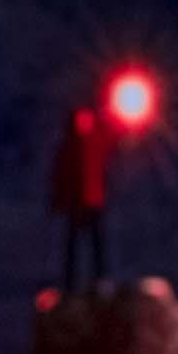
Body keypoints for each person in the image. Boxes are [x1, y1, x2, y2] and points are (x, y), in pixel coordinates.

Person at [47, 103, 112, 296]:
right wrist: (57, 200)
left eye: (87, 120)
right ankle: (70, 283)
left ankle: (100, 280)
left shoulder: (96, 143)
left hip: (94, 201)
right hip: (76, 202)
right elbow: (59, 176)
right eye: (81, 120)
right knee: (73, 245)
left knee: (97, 244)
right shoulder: (68, 148)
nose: (85, 123)